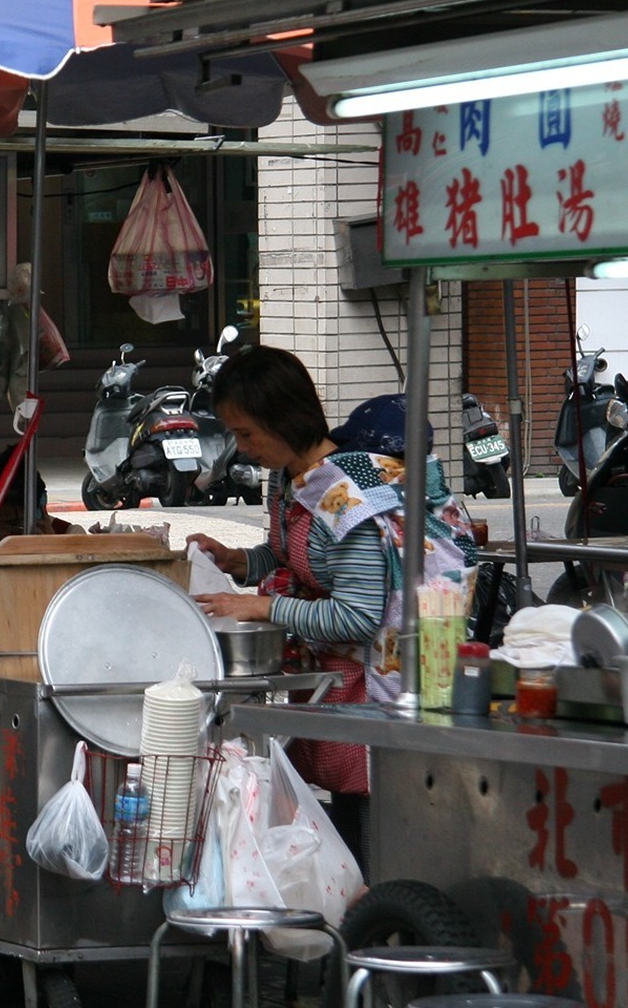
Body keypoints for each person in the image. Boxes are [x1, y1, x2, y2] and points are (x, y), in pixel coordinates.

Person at [187, 349, 474, 868]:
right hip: (337, 681)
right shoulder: (293, 480)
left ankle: (376, 929)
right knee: (341, 820)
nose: (241, 448)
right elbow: (290, 554)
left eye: (247, 433)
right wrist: (237, 561)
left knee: (371, 834)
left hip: (384, 681)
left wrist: (261, 607)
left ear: (284, 420)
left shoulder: (346, 497)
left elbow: (359, 616)